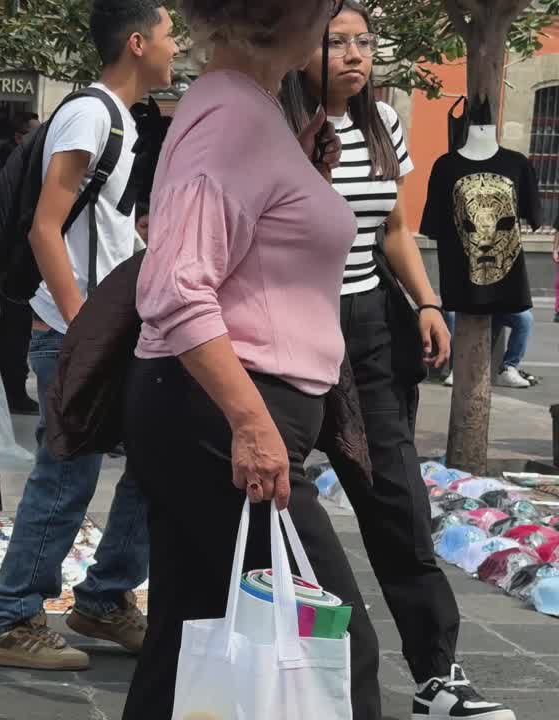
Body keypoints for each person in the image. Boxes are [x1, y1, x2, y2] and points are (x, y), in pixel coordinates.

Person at [126, 1, 387, 718]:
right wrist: (250, 422)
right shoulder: (234, 118)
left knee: (184, 643)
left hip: (215, 407)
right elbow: (175, 284)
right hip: (228, 409)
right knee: (331, 641)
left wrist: (298, 166)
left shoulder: (247, 111)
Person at [281, 5, 514, 718]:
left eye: (364, 41)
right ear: (302, 48)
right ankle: (290, 664)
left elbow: (394, 228)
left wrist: (427, 301)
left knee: (399, 504)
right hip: (288, 330)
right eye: (337, 42)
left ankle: (438, 675)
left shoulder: (381, 123)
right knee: (276, 506)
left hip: (369, 333)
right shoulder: (276, 127)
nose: (355, 54)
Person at [0, 0, 177, 672]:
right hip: (72, 332)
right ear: (138, 42)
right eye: (171, 33)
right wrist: (84, 325)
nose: (179, 46)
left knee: (153, 462)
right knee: (66, 477)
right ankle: (11, 620)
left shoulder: (122, 118)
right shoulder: (91, 114)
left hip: (108, 330)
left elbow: (106, 232)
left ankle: (105, 597)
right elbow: (45, 227)